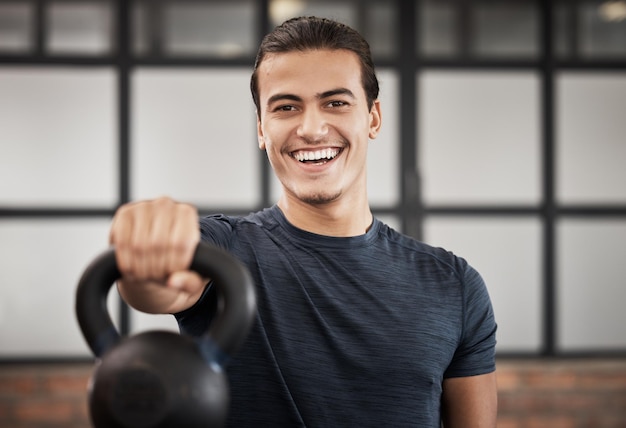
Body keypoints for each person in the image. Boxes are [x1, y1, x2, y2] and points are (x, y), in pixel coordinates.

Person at [109, 16, 498, 427]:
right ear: (262, 128)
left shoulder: (454, 285)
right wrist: (148, 249)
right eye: (286, 107)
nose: (311, 128)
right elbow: (157, 286)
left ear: (373, 118)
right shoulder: (224, 251)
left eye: (335, 103)